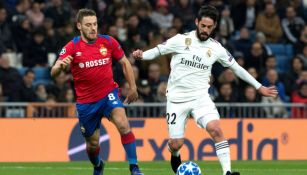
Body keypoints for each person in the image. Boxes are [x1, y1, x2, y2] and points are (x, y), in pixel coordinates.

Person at [132, 5, 278, 175]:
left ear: (214, 26)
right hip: (176, 100)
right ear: (197, 22)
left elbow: (237, 68)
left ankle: (228, 172)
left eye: (209, 27)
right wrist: (142, 55)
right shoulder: (180, 40)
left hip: (200, 98)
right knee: (176, 144)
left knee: (216, 129)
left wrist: (259, 87)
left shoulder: (216, 48)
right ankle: (174, 153)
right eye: (203, 26)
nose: (205, 30)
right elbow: (158, 50)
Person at [50, 9, 143, 175]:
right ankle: (98, 165)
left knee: (123, 124)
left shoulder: (107, 41)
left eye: (95, 24)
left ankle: (134, 168)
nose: (93, 28)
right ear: (79, 26)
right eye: (88, 25)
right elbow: (54, 71)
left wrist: (133, 87)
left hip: (109, 95)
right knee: (92, 145)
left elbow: (125, 63)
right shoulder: (72, 46)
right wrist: (61, 66)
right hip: (86, 103)